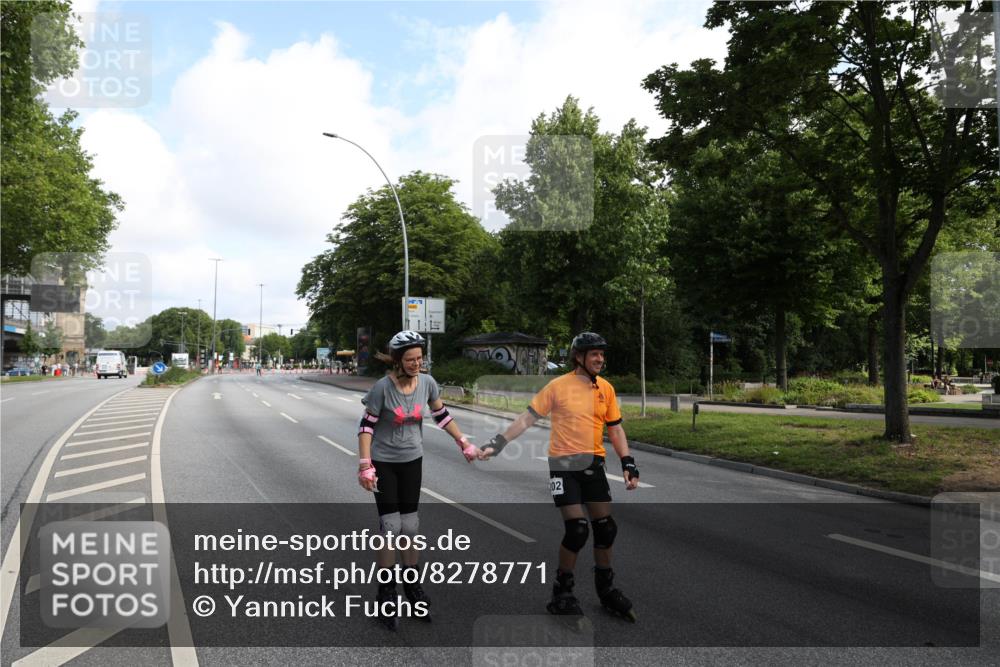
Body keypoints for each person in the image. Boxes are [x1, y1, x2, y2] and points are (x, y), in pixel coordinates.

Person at [479, 332, 640, 622]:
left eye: (602, 354)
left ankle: (606, 589)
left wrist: (628, 461)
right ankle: (561, 592)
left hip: (593, 464)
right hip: (563, 467)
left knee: (606, 529)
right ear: (579, 357)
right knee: (578, 529)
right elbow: (527, 418)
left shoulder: (606, 389)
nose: (600, 359)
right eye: (595, 354)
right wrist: (498, 442)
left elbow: (615, 429)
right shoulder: (557, 386)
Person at [356, 330, 480, 630]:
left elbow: (442, 416)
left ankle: (413, 587)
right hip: (384, 463)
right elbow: (366, 427)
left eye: (419, 359)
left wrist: (463, 441)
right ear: (397, 360)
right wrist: (365, 465)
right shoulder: (382, 388)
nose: (416, 364)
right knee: (390, 526)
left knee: (410, 525)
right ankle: (386, 592)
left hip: (413, 461)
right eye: (410, 359)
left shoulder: (427, 383)